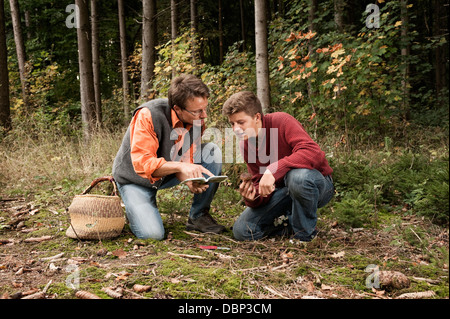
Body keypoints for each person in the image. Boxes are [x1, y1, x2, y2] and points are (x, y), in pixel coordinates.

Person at [112, 74, 225, 240]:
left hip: (165, 174)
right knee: (152, 234)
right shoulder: (148, 115)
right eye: (197, 111)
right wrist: (180, 167)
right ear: (177, 109)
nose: (204, 115)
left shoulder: (197, 120)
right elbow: (144, 164)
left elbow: (187, 159)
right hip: (134, 179)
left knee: (212, 150)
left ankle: (198, 216)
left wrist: (190, 178)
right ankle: (135, 209)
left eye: (205, 108)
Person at [222, 91, 334, 242]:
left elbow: (313, 152)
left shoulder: (282, 121)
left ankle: (304, 236)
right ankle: (290, 225)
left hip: (317, 184)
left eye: (241, 122)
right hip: (283, 191)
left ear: (256, 117)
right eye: (232, 123)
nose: (235, 128)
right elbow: (259, 182)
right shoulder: (246, 143)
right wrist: (253, 196)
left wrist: (273, 170)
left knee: (297, 177)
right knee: (242, 231)